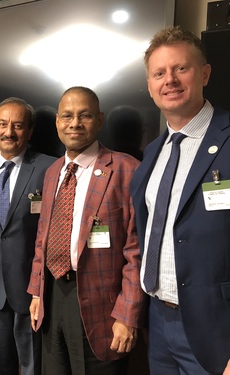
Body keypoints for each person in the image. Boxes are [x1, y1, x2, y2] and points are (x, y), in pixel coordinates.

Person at [130, 26, 230, 375]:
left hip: (218, 330)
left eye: (180, 69)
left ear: (204, 73)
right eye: (159, 73)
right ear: (149, 86)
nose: (169, 80)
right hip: (158, 321)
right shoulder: (152, 153)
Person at [28, 86, 146, 375]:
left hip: (102, 307)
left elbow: (137, 251)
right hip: (53, 295)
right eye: (67, 116)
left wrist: (128, 315)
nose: (75, 123)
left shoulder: (126, 169)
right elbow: (42, 236)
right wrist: (36, 292)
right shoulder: (53, 171)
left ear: (100, 120)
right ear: (57, 121)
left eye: (85, 116)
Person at [0, 97, 56, 375]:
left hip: (32, 289)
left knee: (33, 364)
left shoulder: (49, 168)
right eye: (3, 124)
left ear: (29, 131)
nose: (9, 132)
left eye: (18, 125)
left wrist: (42, 288)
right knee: (1, 363)